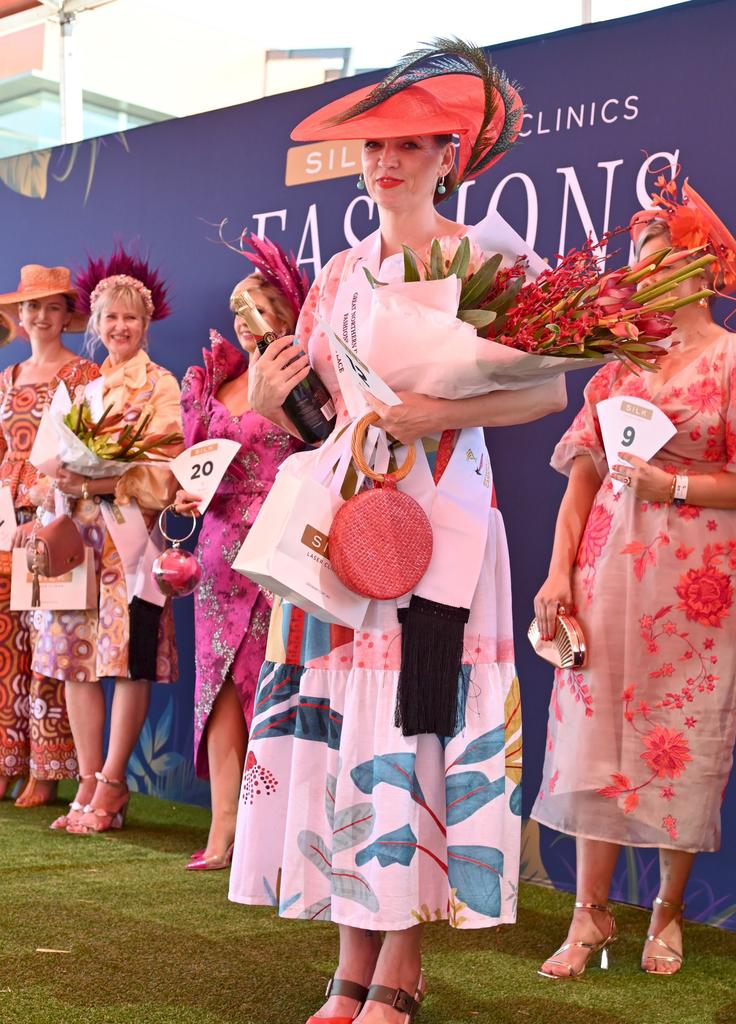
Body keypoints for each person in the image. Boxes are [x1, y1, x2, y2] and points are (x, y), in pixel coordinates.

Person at [230, 41, 567, 1024]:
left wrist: (433, 413)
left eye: (413, 144)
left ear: (448, 154)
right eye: (378, 144)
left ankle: (400, 971)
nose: (391, 162)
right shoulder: (337, 276)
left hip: (449, 533)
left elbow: (541, 392)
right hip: (353, 532)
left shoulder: (488, 260)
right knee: (347, 734)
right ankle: (349, 964)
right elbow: (323, 420)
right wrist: (270, 398)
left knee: (416, 729)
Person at [532, 177, 736, 977]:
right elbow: (581, 483)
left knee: (683, 735)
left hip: (702, 574)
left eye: (657, 260)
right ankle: (588, 915)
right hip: (607, 570)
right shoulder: (614, 370)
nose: (640, 276)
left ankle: (666, 913)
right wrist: (556, 574)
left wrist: (673, 486)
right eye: (634, 263)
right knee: (598, 734)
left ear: (700, 269)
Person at [30, 249, 183, 834]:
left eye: (132, 319)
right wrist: (58, 483)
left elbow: (167, 473)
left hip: (130, 540)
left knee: (128, 660)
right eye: (111, 318)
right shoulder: (82, 390)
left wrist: (97, 478)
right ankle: (88, 778)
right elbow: (53, 462)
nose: (120, 328)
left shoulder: (161, 386)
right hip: (78, 538)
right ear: (96, 324)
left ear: (146, 326)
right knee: (74, 663)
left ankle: (115, 784)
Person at [174, 239, 305, 870]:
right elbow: (196, 467)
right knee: (219, 688)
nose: (246, 317)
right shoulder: (216, 381)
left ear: (286, 308)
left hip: (276, 547)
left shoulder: (304, 373)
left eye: (259, 303)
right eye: (237, 308)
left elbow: (326, 443)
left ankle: (274, 835)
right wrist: (184, 492)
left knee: (273, 685)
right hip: (217, 548)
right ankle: (224, 827)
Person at [0, 265, 98, 807]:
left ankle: (48, 767)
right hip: (4, 521)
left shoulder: (83, 374)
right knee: (5, 647)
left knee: (47, 646)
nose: (40, 316)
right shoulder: (8, 378)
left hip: (52, 519)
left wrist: (42, 506)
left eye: (52, 307)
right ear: (19, 315)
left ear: (67, 315)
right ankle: (6, 759)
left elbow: (82, 450)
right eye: (31, 307)